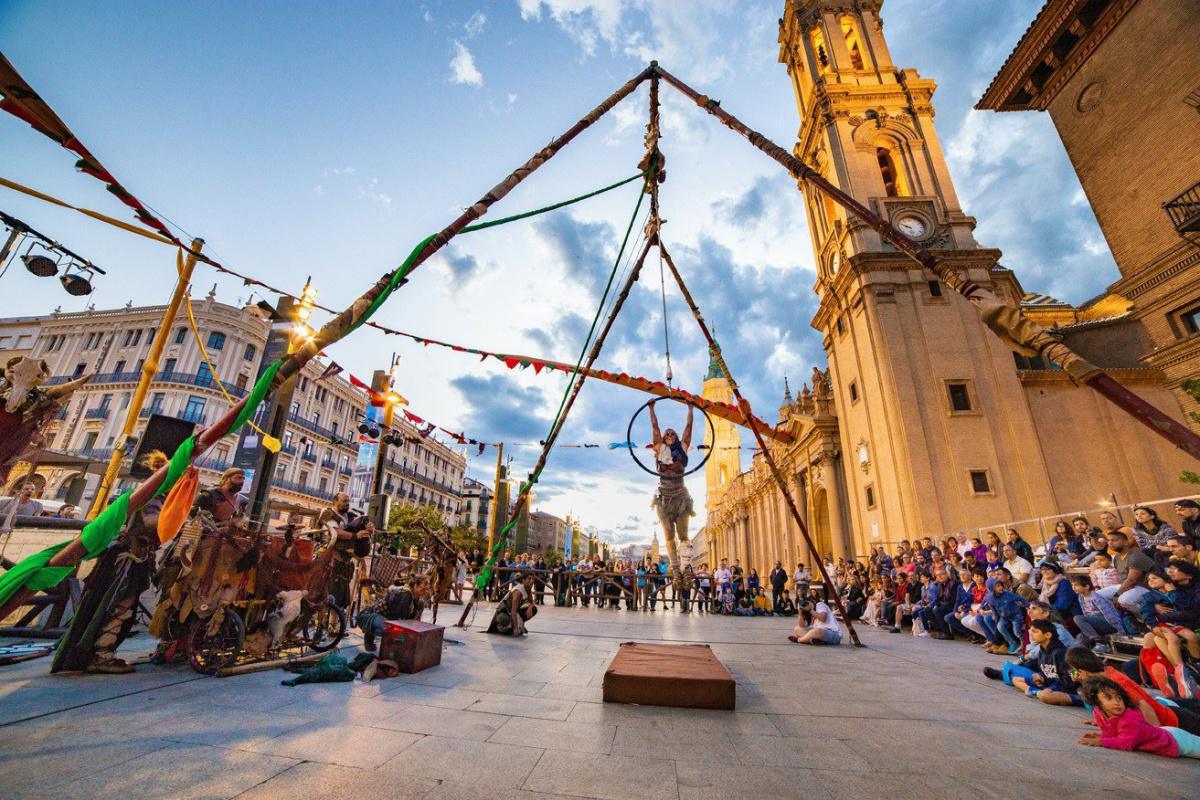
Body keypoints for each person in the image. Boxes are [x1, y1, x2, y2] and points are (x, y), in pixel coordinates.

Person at [52, 452, 167, 674]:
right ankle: (101, 654)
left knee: (122, 604)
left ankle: (101, 652)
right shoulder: (153, 495)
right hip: (128, 557)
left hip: (136, 556)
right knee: (119, 604)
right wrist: (176, 517)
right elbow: (151, 521)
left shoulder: (157, 495)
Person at [1078, 677, 1200, 759]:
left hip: (1175, 740)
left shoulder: (1130, 718)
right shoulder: (1099, 713)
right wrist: (1102, 736)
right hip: (1163, 734)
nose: (1116, 702)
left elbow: (1127, 743)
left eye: (1119, 698)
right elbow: (1114, 733)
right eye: (1108, 698)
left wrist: (1101, 742)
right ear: (1096, 702)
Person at [647, 399, 695, 579]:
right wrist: (652, 409)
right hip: (663, 497)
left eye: (672, 433)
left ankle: (687, 567)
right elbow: (655, 427)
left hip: (681, 496)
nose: (669, 434)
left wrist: (690, 408)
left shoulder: (682, 448)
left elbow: (689, 427)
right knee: (668, 536)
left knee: (683, 535)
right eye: (666, 434)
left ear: (675, 437)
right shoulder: (659, 449)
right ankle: (675, 568)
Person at [986, 618, 1080, 706]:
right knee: (1016, 679)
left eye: (1035, 632)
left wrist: (1048, 684)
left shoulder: (1060, 653)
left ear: (1048, 635)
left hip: (1064, 688)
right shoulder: (1041, 651)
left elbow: (1069, 682)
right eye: (1031, 631)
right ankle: (1035, 692)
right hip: (1049, 684)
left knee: (1045, 696)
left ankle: (1037, 692)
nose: (1031, 634)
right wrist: (1040, 676)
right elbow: (1046, 673)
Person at [356, 578, 424, 651]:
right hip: (370, 615)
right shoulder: (406, 594)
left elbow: (412, 621)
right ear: (416, 585)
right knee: (396, 631)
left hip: (386, 617)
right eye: (425, 585)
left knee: (401, 632)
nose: (427, 588)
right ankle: (369, 637)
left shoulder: (417, 600)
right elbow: (399, 620)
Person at [1097, 529, 1154, 613]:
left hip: (1144, 587)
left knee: (1124, 600)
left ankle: (1148, 616)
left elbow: (1131, 580)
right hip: (1128, 586)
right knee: (1097, 596)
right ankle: (1119, 620)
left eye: (1115, 540)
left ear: (1126, 542)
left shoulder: (1135, 556)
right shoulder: (1116, 557)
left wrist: (1117, 595)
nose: (1110, 543)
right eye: (1108, 540)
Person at [1071, 574, 1125, 652]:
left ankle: (1101, 643)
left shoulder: (1096, 598)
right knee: (1081, 638)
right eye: (1072, 585)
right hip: (1097, 624)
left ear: (1086, 587)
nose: (1073, 587)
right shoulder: (1081, 597)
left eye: (1076, 585)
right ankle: (1082, 657)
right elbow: (1086, 613)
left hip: (1109, 624)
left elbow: (1109, 614)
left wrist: (1119, 630)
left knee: (1077, 618)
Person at [488, 572, 537, 636]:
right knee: (503, 618)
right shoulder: (517, 592)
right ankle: (505, 627)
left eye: (533, 579)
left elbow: (531, 601)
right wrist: (516, 628)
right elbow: (513, 611)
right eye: (529, 579)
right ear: (523, 580)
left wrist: (530, 607)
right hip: (504, 612)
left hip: (513, 611)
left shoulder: (528, 588)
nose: (532, 581)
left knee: (533, 609)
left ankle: (519, 625)